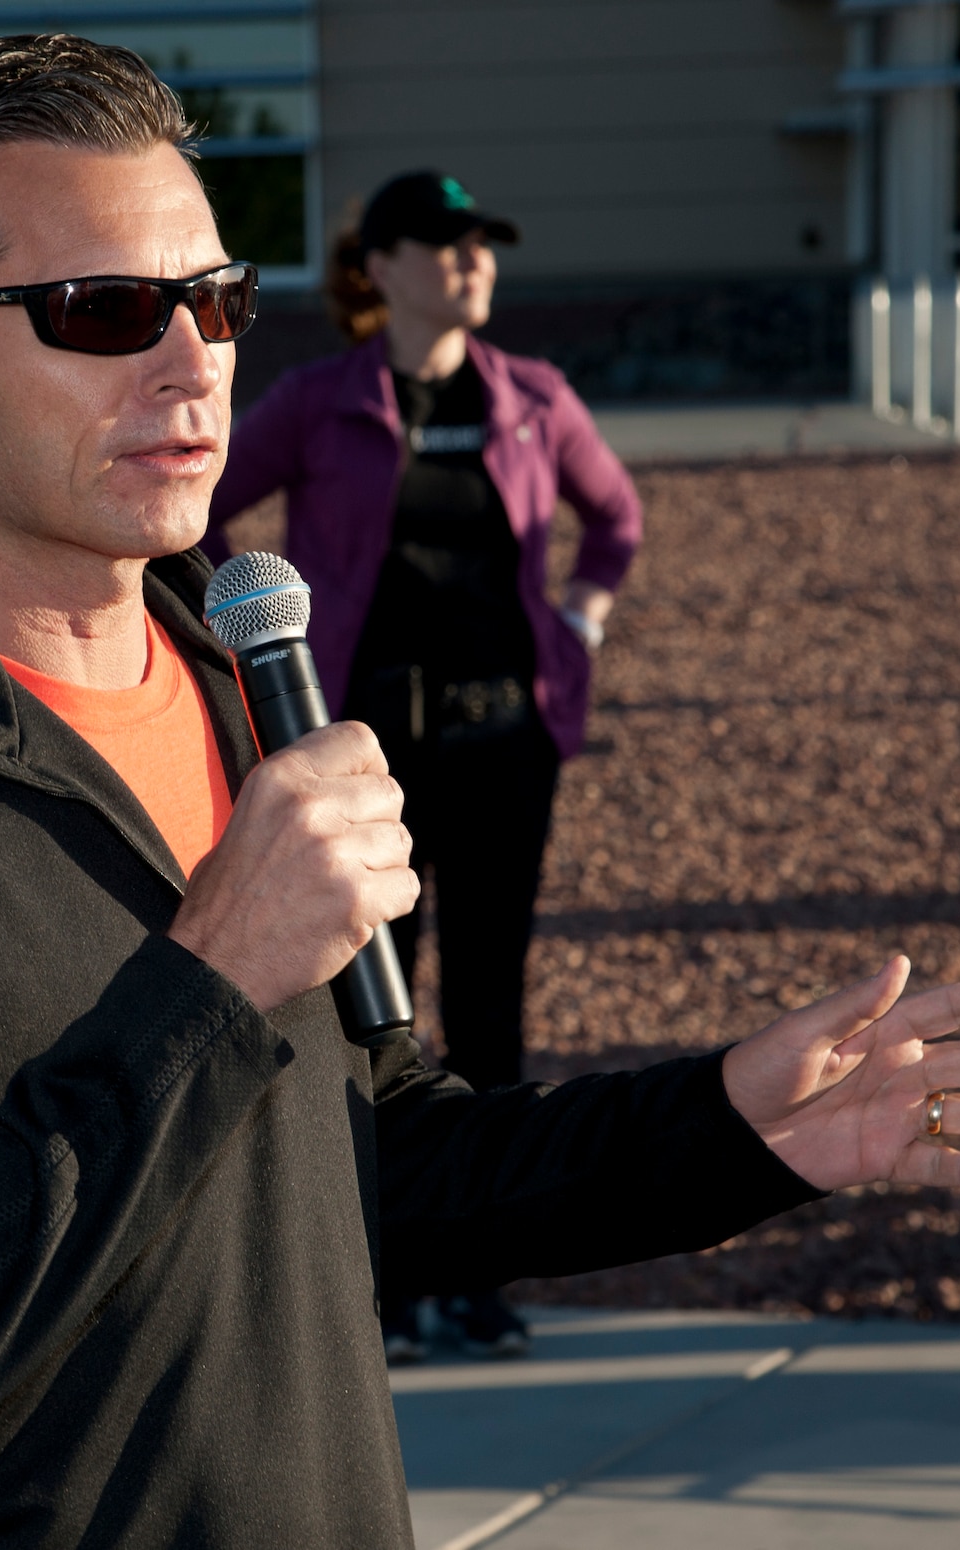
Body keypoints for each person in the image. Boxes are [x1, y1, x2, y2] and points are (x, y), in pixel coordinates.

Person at [0, 35, 960, 1547]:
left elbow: (372, 1158)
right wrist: (210, 978)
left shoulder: (239, 683)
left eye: (216, 301)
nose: (192, 363)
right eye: (103, 310)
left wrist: (728, 1127)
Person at [203, 171, 639, 1361]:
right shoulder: (316, 400)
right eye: (445, 244)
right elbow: (204, 506)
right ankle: (386, 1283)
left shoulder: (533, 399)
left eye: (480, 243)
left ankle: (479, 1281)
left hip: (503, 747)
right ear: (381, 265)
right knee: (366, 1014)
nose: (470, 261)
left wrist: (579, 623)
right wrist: (252, 646)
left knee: (489, 1015)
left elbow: (615, 519)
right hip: (364, 753)